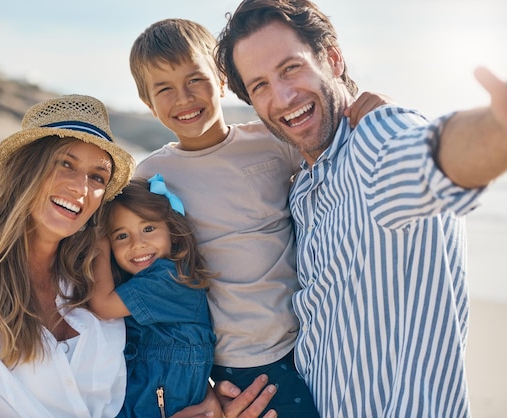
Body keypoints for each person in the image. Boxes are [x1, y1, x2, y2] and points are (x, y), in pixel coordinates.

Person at [213, 0, 507, 417]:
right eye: (259, 85)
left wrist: (497, 131)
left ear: (332, 59)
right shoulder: (302, 190)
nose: (282, 96)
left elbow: (432, 154)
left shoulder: (377, 137)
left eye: (290, 68)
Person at [129, 18, 389, 417]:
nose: (183, 98)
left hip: (312, 338)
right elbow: (132, 255)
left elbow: (335, 149)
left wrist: (374, 109)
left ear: (220, 80)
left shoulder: (270, 141)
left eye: (195, 79)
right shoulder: (152, 176)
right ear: (148, 103)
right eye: (164, 89)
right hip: (236, 356)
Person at [0, 94, 136, 417]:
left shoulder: (99, 280)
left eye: (97, 177)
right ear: (27, 170)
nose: (81, 188)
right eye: (65, 163)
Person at [89, 175, 217, 418]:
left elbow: (102, 306)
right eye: (121, 236)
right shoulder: (137, 284)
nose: (138, 244)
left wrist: (99, 243)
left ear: (172, 230)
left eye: (148, 228)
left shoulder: (171, 279)